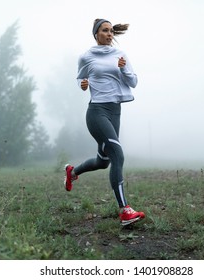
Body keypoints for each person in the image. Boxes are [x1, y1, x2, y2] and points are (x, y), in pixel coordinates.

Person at [64, 18, 145, 226]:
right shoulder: (86, 56)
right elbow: (80, 78)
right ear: (96, 34)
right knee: (117, 154)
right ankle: (125, 211)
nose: (109, 34)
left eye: (111, 31)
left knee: (104, 161)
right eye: (105, 30)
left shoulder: (121, 55)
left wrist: (123, 68)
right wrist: (83, 84)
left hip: (115, 112)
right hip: (97, 112)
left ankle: (72, 172)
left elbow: (133, 82)